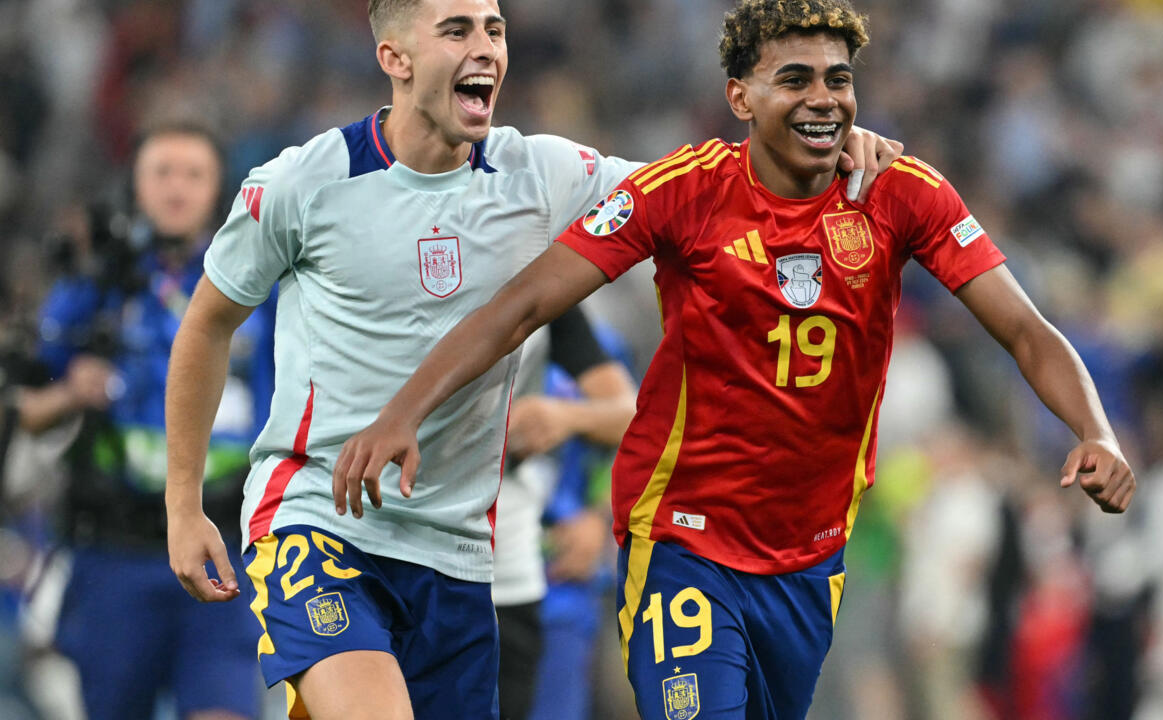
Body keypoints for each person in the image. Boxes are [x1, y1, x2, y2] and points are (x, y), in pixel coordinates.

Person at [333, 1, 1138, 717]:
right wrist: (402, 414)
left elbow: (1025, 328)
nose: (824, 98)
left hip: (810, 556)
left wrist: (1095, 431)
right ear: (741, 98)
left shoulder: (902, 193)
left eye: (838, 79)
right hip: (683, 540)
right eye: (795, 79)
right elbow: (520, 306)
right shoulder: (682, 191)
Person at [163, 1, 902, 718]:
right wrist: (184, 504)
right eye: (457, 30)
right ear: (395, 57)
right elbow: (207, 324)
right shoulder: (302, 183)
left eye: (495, 29)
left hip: (459, 553)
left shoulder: (543, 174)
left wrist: (823, 136)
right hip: (319, 519)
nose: (485, 47)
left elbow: (715, 189)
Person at [18, 121, 270, 720]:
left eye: (194, 175)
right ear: (134, 185)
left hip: (225, 549)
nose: (176, 188)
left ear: (219, 191)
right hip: (115, 552)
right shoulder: (96, 286)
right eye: (162, 173)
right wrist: (71, 392)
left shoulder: (261, 284)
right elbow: (27, 408)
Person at [493, 305, 636, 720]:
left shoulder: (591, 344)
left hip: (559, 573)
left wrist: (599, 517)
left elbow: (635, 432)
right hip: (463, 559)